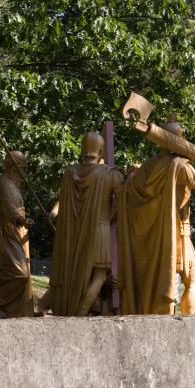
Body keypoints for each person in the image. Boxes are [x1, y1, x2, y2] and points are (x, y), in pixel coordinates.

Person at [118, 120, 195, 315]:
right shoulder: (181, 166)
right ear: (179, 141)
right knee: (191, 279)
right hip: (177, 233)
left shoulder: (147, 168)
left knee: (162, 277)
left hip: (152, 235)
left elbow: (130, 195)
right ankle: (188, 324)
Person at [39, 132, 123, 317]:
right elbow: (122, 202)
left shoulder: (70, 173)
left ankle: (69, 309)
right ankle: (80, 312)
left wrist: (54, 215)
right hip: (101, 230)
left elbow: (63, 203)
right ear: (100, 150)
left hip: (74, 232)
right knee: (99, 276)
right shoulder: (111, 174)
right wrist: (110, 217)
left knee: (74, 272)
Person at [0, 152, 35, 318]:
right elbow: (7, 206)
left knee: (17, 272)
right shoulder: (5, 184)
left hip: (17, 230)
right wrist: (20, 219)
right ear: (13, 168)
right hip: (8, 231)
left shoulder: (13, 184)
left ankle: (13, 310)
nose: (22, 172)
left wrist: (23, 221)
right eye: (20, 168)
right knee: (20, 272)